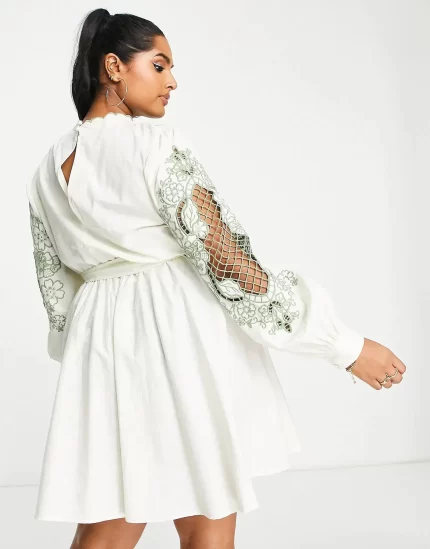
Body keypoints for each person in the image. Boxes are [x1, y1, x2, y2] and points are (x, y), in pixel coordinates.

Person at [26, 7, 407, 549]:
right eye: (159, 66)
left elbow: (57, 292)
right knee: (207, 514)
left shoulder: (47, 169)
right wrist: (343, 345)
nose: (173, 82)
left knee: (111, 521)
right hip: (181, 338)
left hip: (102, 351)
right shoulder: (156, 147)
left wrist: (95, 357)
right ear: (114, 67)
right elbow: (230, 264)